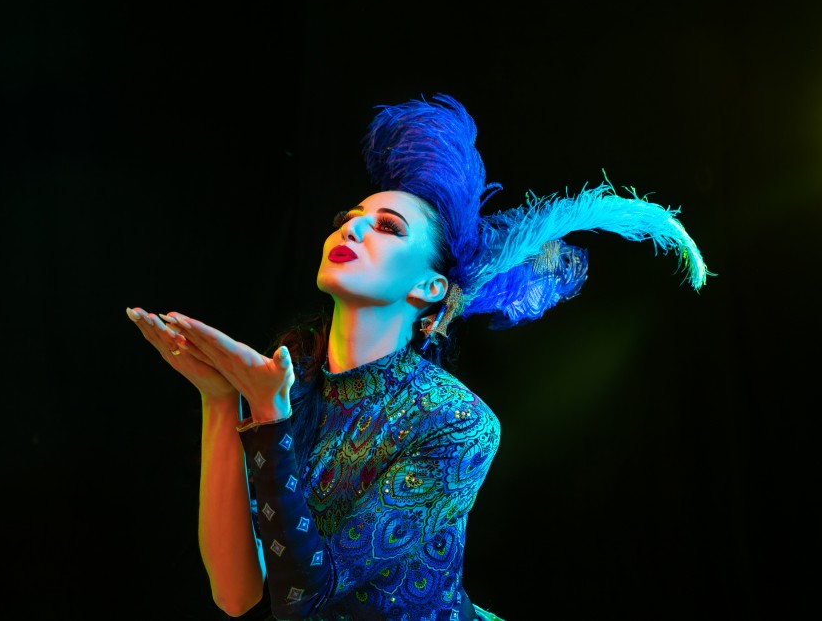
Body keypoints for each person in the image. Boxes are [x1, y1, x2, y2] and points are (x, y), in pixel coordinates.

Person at [126, 94, 709, 621]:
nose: (352, 226)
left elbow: (305, 597)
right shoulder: (293, 375)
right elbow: (235, 595)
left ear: (431, 289)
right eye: (348, 218)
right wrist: (219, 399)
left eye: (386, 226)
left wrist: (267, 416)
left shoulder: (458, 423)